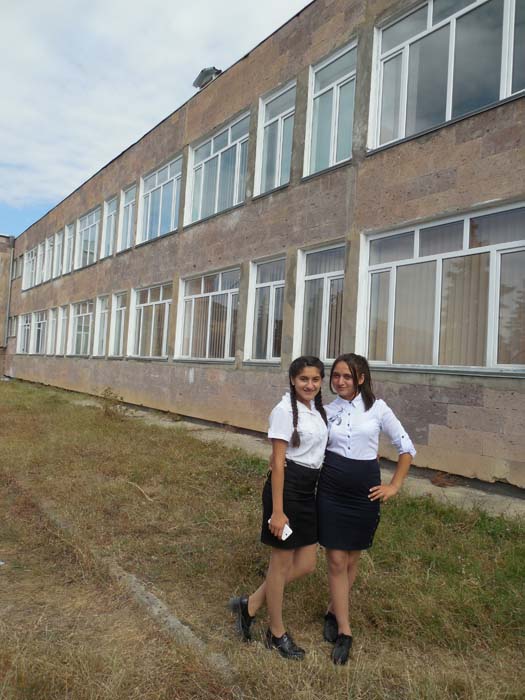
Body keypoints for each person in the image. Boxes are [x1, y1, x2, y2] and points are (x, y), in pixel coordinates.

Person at [317, 353, 415, 665]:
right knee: (336, 559)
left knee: (351, 559)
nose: (340, 381)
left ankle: (333, 610)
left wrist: (394, 485)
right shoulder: (326, 411)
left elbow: (406, 447)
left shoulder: (378, 408)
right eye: (336, 375)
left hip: (364, 495)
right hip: (331, 492)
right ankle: (345, 630)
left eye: (347, 376)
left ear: (361, 378)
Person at [230, 356, 328, 660]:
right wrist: (278, 511)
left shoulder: (316, 409)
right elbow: (278, 463)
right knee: (280, 564)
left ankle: (249, 605)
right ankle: (276, 633)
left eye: (315, 379)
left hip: (308, 491)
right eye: (303, 379)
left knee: (307, 563)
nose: (309, 385)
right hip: (287, 491)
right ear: (293, 380)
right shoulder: (285, 411)